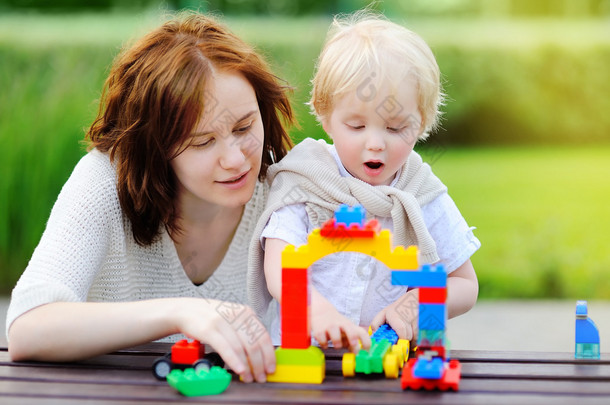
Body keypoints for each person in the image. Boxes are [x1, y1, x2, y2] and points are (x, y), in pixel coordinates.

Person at [6, 12, 295, 383]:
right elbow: (28, 328)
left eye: (244, 127)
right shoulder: (103, 182)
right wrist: (181, 313)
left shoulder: (281, 185)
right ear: (156, 147)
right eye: (203, 142)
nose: (237, 159)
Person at [248, 11, 480, 353]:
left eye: (395, 128)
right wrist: (318, 310)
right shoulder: (306, 180)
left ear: (422, 122)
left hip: (388, 362)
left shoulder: (421, 195)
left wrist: (414, 306)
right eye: (356, 126)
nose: (375, 143)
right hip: (305, 363)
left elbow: (464, 284)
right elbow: (280, 264)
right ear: (326, 118)